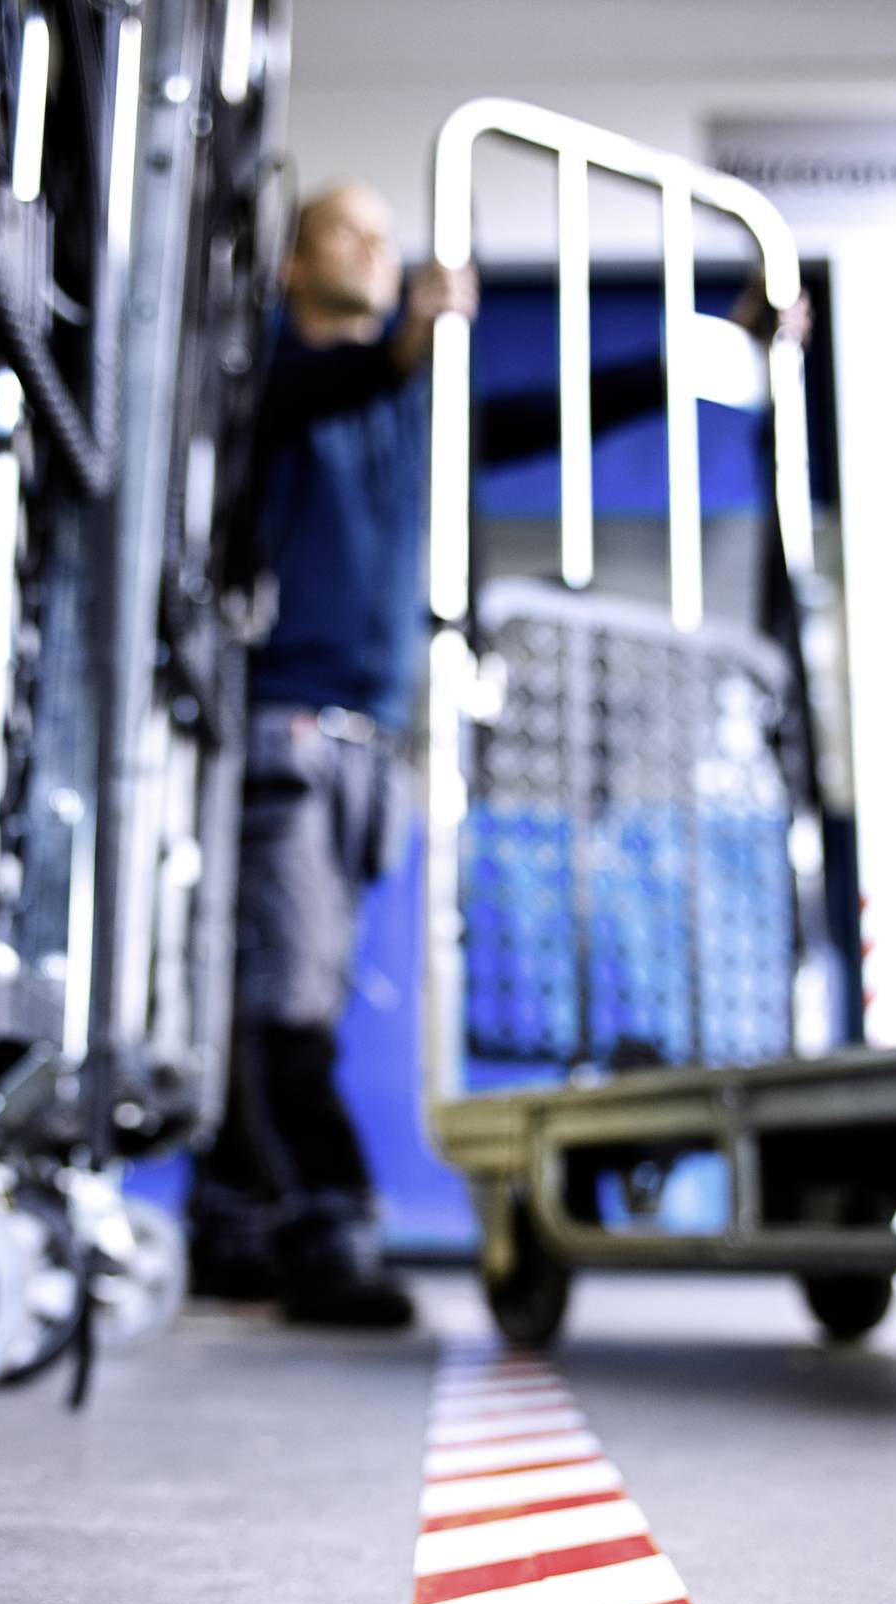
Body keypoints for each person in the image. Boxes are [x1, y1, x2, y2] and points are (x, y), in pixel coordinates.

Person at [190, 180, 799, 1328]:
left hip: (374, 749)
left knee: (278, 989)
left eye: (385, 233)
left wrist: (722, 339)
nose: (378, 247)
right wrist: (404, 348)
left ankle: (231, 1226)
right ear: (290, 264)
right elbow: (299, 391)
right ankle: (326, 1235)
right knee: (287, 1002)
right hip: (286, 728)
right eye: (348, 230)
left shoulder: (421, 410)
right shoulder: (257, 377)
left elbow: (566, 406)